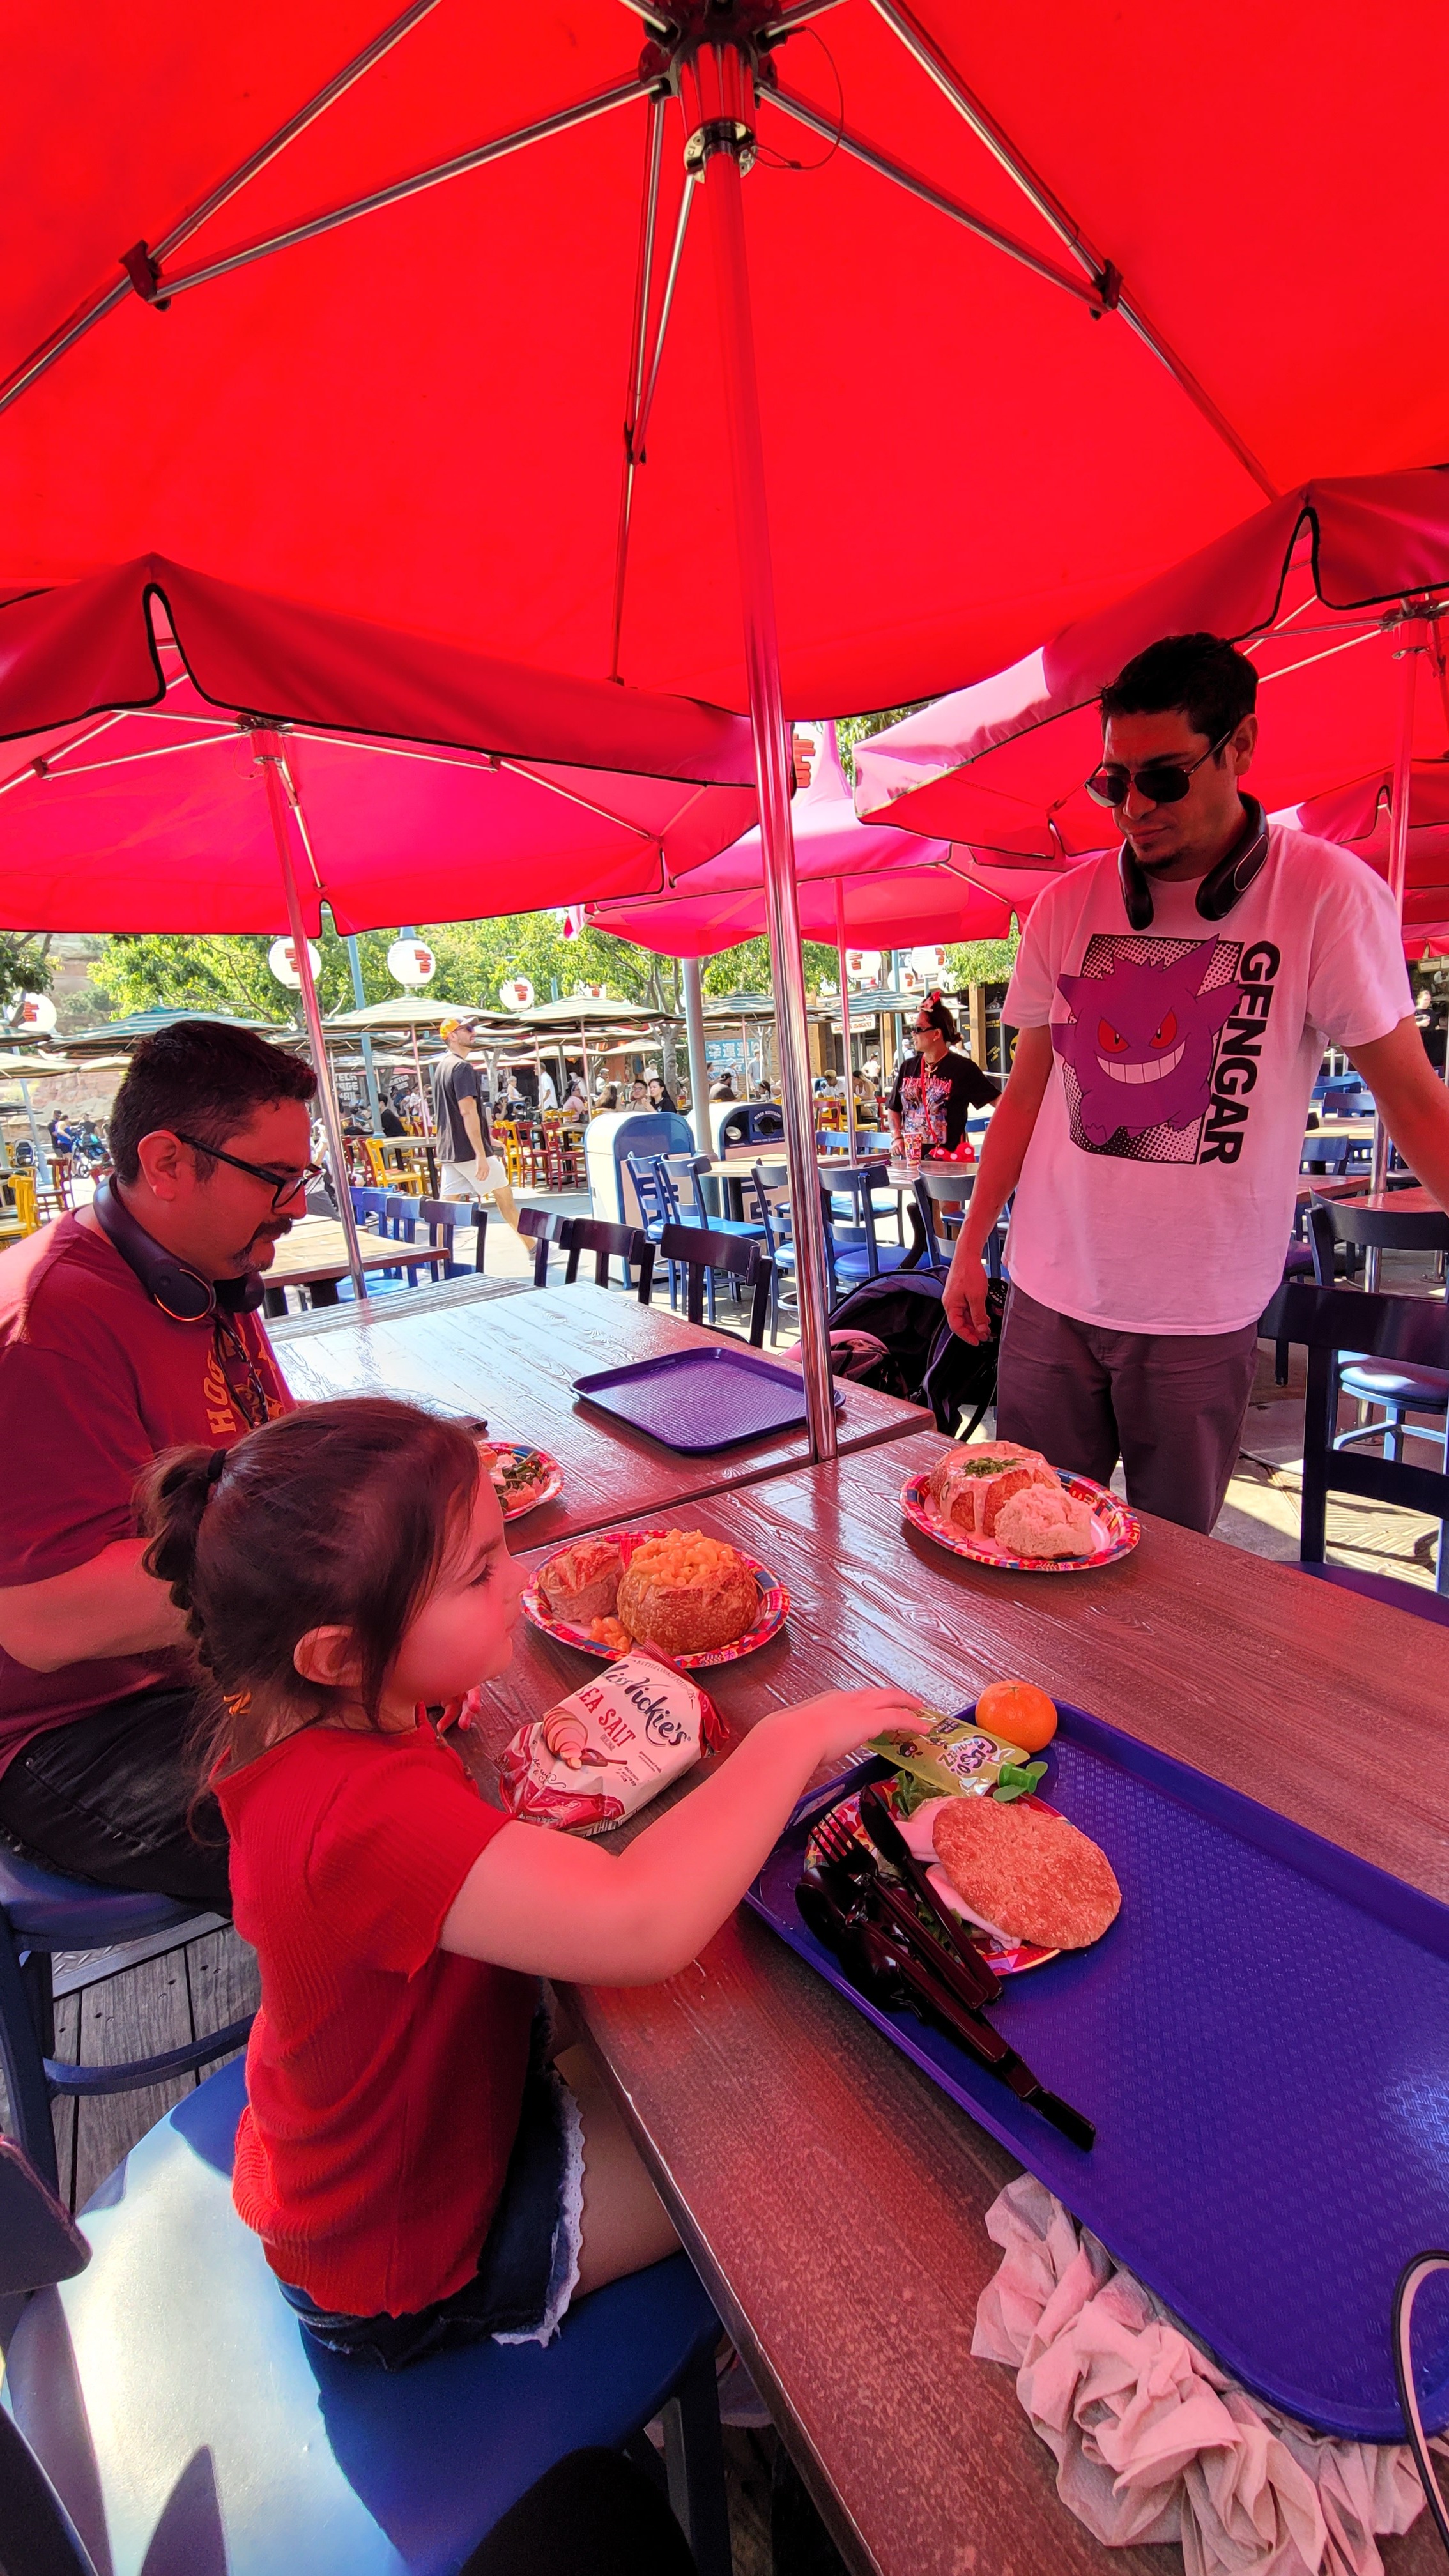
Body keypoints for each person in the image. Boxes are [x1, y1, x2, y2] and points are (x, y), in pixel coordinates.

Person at [139, 1397, 915, 2366]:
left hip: (384, 2144)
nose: (519, 1578)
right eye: (478, 1574)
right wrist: (789, 1742)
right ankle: (738, 2376)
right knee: (798, 2137)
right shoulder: (361, 1818)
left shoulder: (312, 1724)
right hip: (402, 2255)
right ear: (340, 1655)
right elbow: (640, 1923)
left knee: (704, 2044)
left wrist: (422, 1685)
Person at [944, 631, 1449, 1531]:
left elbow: (1410, 1096)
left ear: (1240, 746)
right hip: (1049, 1296)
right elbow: (1025, 1092)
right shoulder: (1065, 907)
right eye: (1114, 783)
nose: (1135, 807)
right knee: (1019, 1545)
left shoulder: (1326, 896)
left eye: (1165, 778)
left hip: (1199, 1313)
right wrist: (970, 1244)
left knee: (1173, 1575)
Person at [0, 1020, 314, 1907]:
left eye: (304, 1178)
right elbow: (47, 1619)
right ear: (168, 1162)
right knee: (377, 1815)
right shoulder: (46, 1328)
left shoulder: (201, 1273)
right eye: (276, 1178)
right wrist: (333, 1566)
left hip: (210, 1667)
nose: (296, 1207)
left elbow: (263, 1451)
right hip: (76, 1733)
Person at [432, 1021, 519, 1230]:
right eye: (468, 1029)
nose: (474, 1033)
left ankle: (438, 1250)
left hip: (450, 1149)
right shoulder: (461, 1067)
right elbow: (467, 1112)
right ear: (452, 1036)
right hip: (469, 1150)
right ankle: (534, 1245)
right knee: (506, 1199)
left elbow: (458, 1111)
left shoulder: (442, 1067)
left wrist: (487, 1137)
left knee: (446, 1208)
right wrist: (481, 1153)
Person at [889, 992, 998, 1158]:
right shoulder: (907, 1067)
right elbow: (893, 1108)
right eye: (913, 1029)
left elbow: (998, 1100)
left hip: (949, 1161)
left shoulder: (963, 1068)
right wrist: (897, 1137)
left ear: (936, 1034)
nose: (913, 1034)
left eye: (918, 1029)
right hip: (911, 1160)